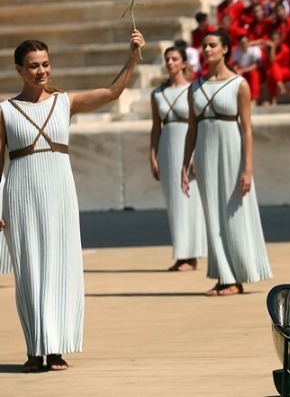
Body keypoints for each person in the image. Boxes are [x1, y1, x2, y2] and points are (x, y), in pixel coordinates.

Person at [0, 30, 145, 372]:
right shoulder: (5, 111)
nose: (41, 71)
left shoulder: (65, 101)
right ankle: (37, 349)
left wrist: (133, 57)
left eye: (46, 64)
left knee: (62, 267)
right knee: (31, 270)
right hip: (21, 191)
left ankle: (58, 347)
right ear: (19, 70)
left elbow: (112, 93)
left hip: (60, 190)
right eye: (33, 66)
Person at [181, 30, 272, 296]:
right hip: (205, 154)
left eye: (212, 45)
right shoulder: (195, 87)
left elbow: (247, 129)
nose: (206, 50)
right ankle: (223, 275)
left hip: (232, 152)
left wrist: (248, 168)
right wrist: (185, 164)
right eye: (204, 46)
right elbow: (192, 129)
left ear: (224, 49)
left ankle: (237, 277)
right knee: (212, 215)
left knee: (234, 213)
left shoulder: (239, 84)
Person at [150, 46, 207, 272]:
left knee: (190, 200)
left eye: (175, 59)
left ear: (184, 63)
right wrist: (152, 155)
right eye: (167, 59)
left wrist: (195, 152)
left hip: (188, 144)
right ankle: (181, 253)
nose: (170, 63)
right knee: (174, 201)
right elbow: (156, 126)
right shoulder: (157, 93)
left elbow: (198, 124)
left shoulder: (194, 89)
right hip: (167, 147)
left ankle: (191, 255)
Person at [231, 34, 264, 105]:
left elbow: (256, 65)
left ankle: (254, 99)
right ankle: (239, 100)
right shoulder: (236, 51)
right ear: (239, 43)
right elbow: (235, 64)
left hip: (253, 70)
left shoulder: (255, 49)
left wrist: (242, 70)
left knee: (254, 74)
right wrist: (237, 70)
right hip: (242, 70)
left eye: (246, 42)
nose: (244, 44)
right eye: (242, 43)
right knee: (235, 76)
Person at [265, 30, 290, 106]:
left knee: (273, 67)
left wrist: (273, 48)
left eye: (277, 39)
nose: (275, 41)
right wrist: (268, 49)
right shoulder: (269, 48)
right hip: (277, 73)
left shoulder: (285, 49)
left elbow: (273, 60)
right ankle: (274, 100)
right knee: (270, 74)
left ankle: (279, 87)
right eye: (273, 39)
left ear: (280, 39)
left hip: (286, 71)